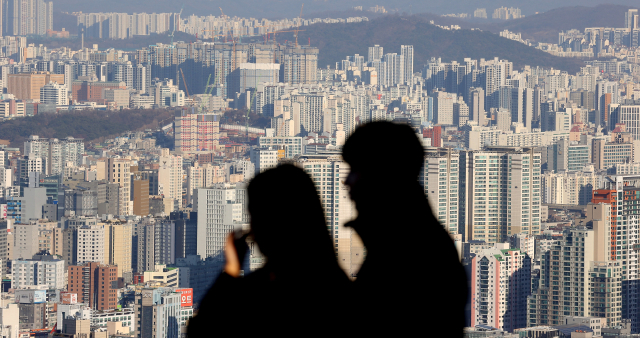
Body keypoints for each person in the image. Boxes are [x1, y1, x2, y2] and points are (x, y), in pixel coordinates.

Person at [187, 164, 350, 336]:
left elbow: (201, 329)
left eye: (255, 218)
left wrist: (230, 270)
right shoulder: (337, 288)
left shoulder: (258, 295)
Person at [342, 121, 467, 336]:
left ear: (381, 176)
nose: (347, 181)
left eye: (356, 170)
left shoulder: (409, 253)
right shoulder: (403, 240)